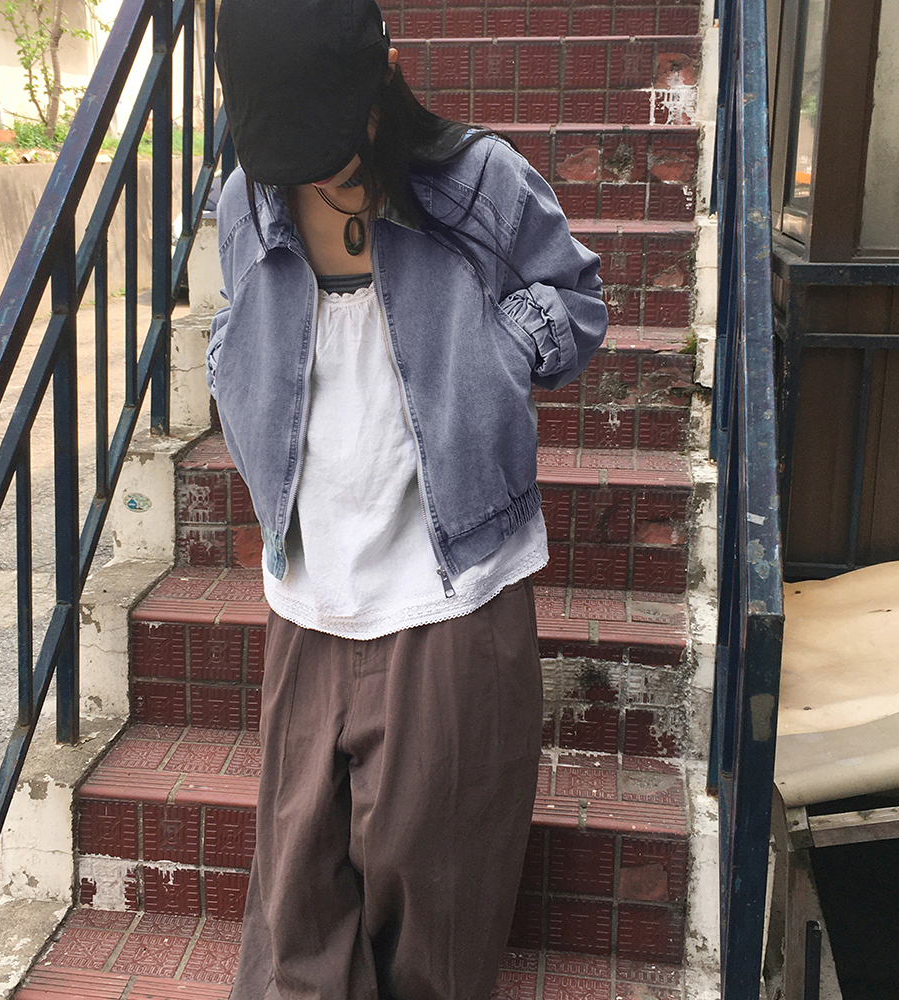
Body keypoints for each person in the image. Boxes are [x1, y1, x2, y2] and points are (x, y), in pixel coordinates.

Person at [208, 2, 609, 997]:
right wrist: (229, 365)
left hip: (453, 592)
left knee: (433, 909)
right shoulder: (248, 196)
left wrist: (502, 349)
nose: (310, 172)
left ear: (386, 74)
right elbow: (238, 316)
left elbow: (576, 301)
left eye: (327, 140)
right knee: (298, 915)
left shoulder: (478, 181)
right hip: (309, 591)